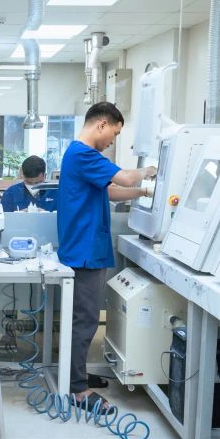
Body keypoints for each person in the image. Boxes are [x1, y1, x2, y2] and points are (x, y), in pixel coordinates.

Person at [57, 102, 155, 409]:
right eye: (113, 133)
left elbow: (111, 191)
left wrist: (143, 193)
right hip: (84, 251)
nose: (112, 141)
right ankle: (77, 389)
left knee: (85, 319)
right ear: (101, 125)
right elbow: (125, 178)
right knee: (85, 321)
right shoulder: (82, 153)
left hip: (88, 248)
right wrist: (153, 171)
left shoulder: (84, 157)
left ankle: (78, 374)